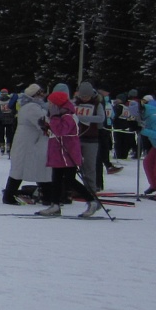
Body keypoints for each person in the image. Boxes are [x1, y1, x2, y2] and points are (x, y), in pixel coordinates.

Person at [40, 89, 102, 217]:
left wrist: (54, 118)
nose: (49, 105)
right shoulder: (59, 115)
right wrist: (46, 127)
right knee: (56, 179)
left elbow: (61, 131)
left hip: (68, 152)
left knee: (69, 180)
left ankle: (91, 201)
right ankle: (55, 204)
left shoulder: (69, 116)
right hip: (58, 152)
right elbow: (54, 132)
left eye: (51, 103)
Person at [2, 84, 52, 206]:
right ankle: (10, 196)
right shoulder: (32, 107)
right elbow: (43, 123)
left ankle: (47, 195)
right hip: (29, 143)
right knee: (29, 168)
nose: (43, 96)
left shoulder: (28, 106)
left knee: (24, 168)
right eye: (40, 93)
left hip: (29, 142)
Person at [73, 82, 106, 194]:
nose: (84, 98)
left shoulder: (97, 104)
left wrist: (84, 118)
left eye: (87, 96)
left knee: (90, 166)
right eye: (82, 96)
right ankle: (75, 188)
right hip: (76, 138)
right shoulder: (75, 103)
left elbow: (101, 118)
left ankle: (91, 188)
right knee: (74, 166)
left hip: (92, 139)